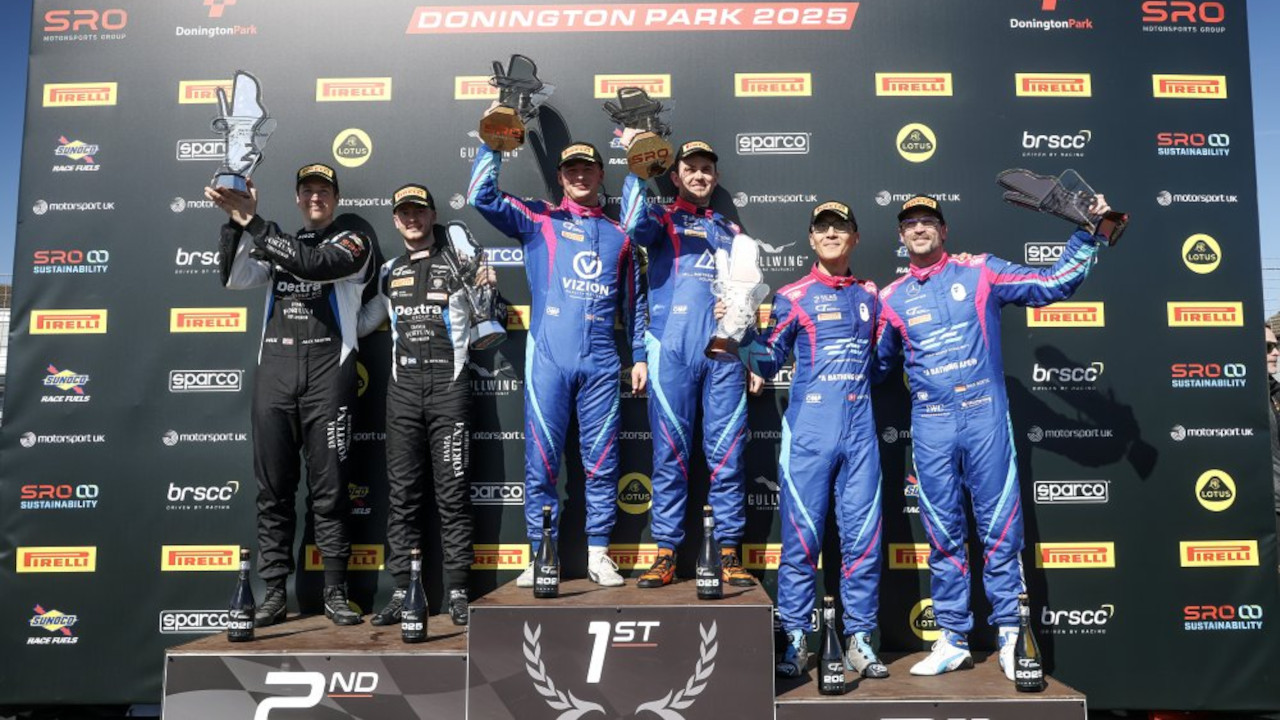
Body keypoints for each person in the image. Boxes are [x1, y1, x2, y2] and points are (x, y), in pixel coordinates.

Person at [875, 194, 1111, 679]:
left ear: (943, 230)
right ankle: (952, 638)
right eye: (910, 223)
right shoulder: (890, 297)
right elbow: (875, 365)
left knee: (1000, 528)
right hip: (931, 423)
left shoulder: (980, 270)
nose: (919, 229)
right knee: (942, 532)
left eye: (928, 221)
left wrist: (1089, 232)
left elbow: (1052, 285)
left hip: (984, 416)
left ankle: (1010, 634)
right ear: (901, 236)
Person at [468, 138, 647, 587]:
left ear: (600, 174)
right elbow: (481, 197)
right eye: (571, 170)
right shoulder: (540, 219)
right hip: (549, 357)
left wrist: (640, 356)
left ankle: (599, 554)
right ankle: (541, 555)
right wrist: (492, 143)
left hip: (601, 362)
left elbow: (636, 305)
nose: (580, 176)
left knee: (602, 460)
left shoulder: (622, 235)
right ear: (561, 177)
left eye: (588, 169)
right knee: (542, 460)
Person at [206, 163, 376, 626]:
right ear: (298, 198)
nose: (315, 197)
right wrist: (235, 220)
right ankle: (274, 593)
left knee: (331, 490)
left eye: (324, 190)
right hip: (275, 373)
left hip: (328, 371)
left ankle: (335, 592)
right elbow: (234, 277)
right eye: (307, 190)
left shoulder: (355, 240)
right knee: (273, 491)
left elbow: (316, 266)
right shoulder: (278, 242)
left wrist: (256, 223)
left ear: (336, 199)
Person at [726, 201, 887, 679]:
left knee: (864, 542)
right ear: (812, 240)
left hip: (860, 434)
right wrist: (739, 329)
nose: (832, 234)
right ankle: (795, 639)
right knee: (800, 542)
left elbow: (882, 364)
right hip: (809, 434)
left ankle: (859, 640)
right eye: (823, 229)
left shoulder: (871, 294)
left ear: (855, 237)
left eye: (841, 227)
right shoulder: (793, 296)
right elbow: (766, 362)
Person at [618, 137, 758, 589]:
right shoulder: (661, 218)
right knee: (669, 456)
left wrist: (751, 350)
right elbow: (631, 224)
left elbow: (747, 297)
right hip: (672, 349)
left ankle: (728, 552)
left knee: (728, 456)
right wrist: (637, 167)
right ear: (676, 176)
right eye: (691, 168)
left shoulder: (731, 230)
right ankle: (665, 553)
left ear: (716, 178)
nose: (700, 175)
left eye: (707, 169)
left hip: (724, 355)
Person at [357, 183, 498, 627]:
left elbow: (487, 319)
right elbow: (364, 322)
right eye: (405, 213)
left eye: (419, 211)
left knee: (453, 495)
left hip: (449, 389)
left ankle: (458, 591)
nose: (413, 218)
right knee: (402, 496)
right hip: (402, 392)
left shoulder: (459, 263)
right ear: (396, 221)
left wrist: (486, 287)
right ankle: (403, 590)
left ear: (433, 215)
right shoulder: (389, 271)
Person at [1267, 324, 1280, 565]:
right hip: (1264, 509)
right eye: (1269, 348)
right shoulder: (1235, 398)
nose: (1276, 353)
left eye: (1276, 346)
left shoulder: (1277, 393)